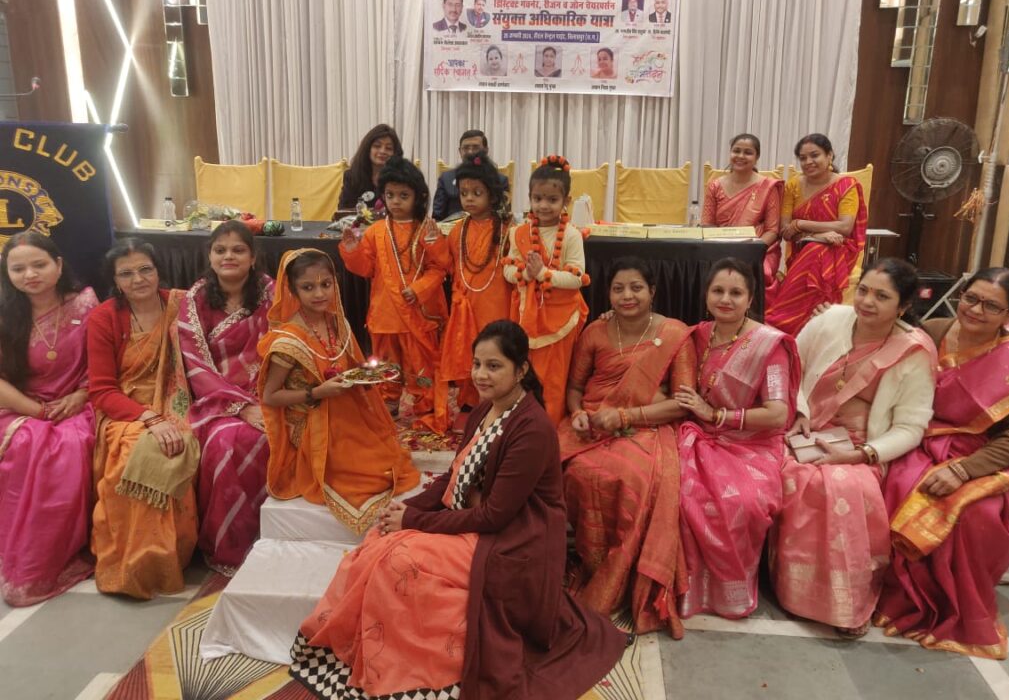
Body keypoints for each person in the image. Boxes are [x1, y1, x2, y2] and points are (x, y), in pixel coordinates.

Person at [290, 320, 627, 699]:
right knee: (376, 542)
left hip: (514, 540)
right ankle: (364, 654)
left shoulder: (531, 429)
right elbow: (453, 477)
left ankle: (408, 669)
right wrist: (404, 509)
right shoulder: (485, 411)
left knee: (398, 560)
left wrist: (414, 520)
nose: (481, 374)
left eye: (494, 366)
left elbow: (496, 515)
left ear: (521, 370)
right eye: (477, 364)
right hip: (477, 525)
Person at [769, 259, 937, 637]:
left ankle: (845, 603)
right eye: (863, 290)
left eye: (882, 296)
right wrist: (799, 412)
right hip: (802, 427)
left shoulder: (913, 350)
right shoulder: (830, 320)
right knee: (787, 473)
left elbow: (910, 427)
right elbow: (790, 366)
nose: (867, 302)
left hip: (862, 446)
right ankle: (793, 591)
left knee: (843, 487)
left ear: (903, 306)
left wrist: (862, 454)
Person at [875, 268, 1009, 659]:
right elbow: (877, 336)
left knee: (976, 514)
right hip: (917, 435)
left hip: (979, 455)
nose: (975, 310)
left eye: (991, 306)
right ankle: (902, 598)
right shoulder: (934, 332)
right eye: (971, 298)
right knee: (898, 483)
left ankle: (952, 610)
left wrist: (964, 470)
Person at [559, 257, 696, 638]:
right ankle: (591, 565)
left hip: (647, 426)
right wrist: (577, 414)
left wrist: (625, 416)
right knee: (574, 471)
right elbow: (575, 388)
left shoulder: (674, 334)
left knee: (632, 478)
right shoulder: (595, 332)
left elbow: (682, 403)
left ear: (652, 291)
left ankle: (623, 577)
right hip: (592, 423)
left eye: (636, 287)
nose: (627, 296)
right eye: (618, 288)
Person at [673, 258, 799, 619]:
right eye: (718, 291)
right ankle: (681, 588)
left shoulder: (768, 346)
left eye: (736, 293)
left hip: (752, 444)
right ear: (706, 295)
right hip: (699, 437)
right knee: (673, 488)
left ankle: (729, 593)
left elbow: (777, 414)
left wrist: (717, 416)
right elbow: (654, 338)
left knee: (742, 501)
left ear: (751, 298)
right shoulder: (696, 335)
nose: (725, 299)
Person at [258, 249, 419, 531]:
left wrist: (371, 375)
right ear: (293, 291)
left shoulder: (337, 323)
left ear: (335, 283)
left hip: (343, 408)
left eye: (326, 284)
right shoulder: (288, 340)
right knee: (364, 475)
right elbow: (270, 397)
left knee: (385, 461)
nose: (319, 293)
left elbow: (352, 366)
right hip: (310, 419)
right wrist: (316, 394)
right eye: (308, 287)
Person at [88, 239, 198, 599]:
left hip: (179, 400)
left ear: (158, 270)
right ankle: (135, 562)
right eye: (126, 274)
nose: (138, 279)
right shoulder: (104, 317)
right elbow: (102, 390)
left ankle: (172, 554)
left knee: (183, 440)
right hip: (126, 409)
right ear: (115, 281)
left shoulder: (182, 305)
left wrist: (170, 415)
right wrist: (148, 417)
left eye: (145, 269)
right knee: (137, 451)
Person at [0, 232, 98, 606]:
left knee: (69, 445)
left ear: (58, 265)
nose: (30, 275)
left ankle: (53, 552)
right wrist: (36, 411)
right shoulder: (5, 314)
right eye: (18, 269)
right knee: (27, 441)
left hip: (78, 403)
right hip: (21, 405)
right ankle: (19, 550)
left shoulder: (86, 304)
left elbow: (105, 362)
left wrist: (80, 394)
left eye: (39, 265)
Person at [177, 220, 274, 572]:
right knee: (226, 443)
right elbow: (195, 364)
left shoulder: (270, 292)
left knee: (280, 433)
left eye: (238, 250)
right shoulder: (196, 299)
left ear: (253, 257)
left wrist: (267, 397)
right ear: (209, 256)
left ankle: (273, 538)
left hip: (270, 390)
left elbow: (285, 344)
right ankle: (231, 544)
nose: (228, 256)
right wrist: (241, 406)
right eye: (220, 250)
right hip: (216, 400)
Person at [340, 157, 450, 432]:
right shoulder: (376, 231)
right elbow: (365, 269)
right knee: (386, 364)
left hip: (417, 313)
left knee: (420, 365)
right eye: (390, 195)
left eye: (403, 195)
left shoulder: (427, 230)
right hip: (385, 314)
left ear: (418, 197)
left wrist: (419, 289)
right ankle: (388, 400)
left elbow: (440, 268)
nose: (396, 201)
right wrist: (352, 250)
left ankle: (424, 403)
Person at [504, 155, 589, 424]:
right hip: (525, 315)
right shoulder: (518, 232)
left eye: (552, 199)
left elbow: (577, 278)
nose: (543, 205)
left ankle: (548, 425)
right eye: (537, 198)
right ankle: (523, 421)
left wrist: (543, 274)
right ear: (529, 198)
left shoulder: (572, 235)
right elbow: (507, 270)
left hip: (560, 318)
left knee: (553, 377)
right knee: (524, 371)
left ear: (566, 201)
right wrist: (524, 274)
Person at [764, 133, 867, 336]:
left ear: (830, 155)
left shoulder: (846, 185)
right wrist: (819, 235)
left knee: (817, 251)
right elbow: (786, 231)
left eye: (815, 155)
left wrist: (801, 224)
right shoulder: (794, 185)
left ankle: (782, 321)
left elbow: (845, 227)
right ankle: (802, 326)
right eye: (803, 158)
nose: (808, 162)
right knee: (815, 249)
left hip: (839, 248)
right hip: (802, 248)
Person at [440, 154, 513, 409]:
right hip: (466, 304)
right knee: (469, 351)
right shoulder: (457, 230)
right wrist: (433, 244)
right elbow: (448, 265)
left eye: (476, 193)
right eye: (464, 193)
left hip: (496, 303)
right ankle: (470, 400)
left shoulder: (507, 229)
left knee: (495, 350)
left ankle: (498, 399)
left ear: (492, 195)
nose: (469, 198)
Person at [702, 133, 784, 283]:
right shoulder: (715, 186)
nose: (740, 156)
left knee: (757, 272)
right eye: (736, 151)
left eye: (748, 152)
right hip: (720, 249)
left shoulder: (768, 187)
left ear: (757, 157)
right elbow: (707, 224)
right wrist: (723, 249)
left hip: (757, 250)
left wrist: (750, 251)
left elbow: (772, 230)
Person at [433, 129, 510, 220]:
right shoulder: (446, 178)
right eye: (466, 148)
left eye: (475, 147)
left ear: (486, 150)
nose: (470, 152)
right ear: (460, 151)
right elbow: (437, 216)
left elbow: (503, 215)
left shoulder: (500, 180)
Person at [336, 123, 403, 210]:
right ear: (368, 149)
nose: (382, 151)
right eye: (377, 146)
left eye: (388, 148)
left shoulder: (401, 178)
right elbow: (344, 210)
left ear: (395, 153)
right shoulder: (352, 177)